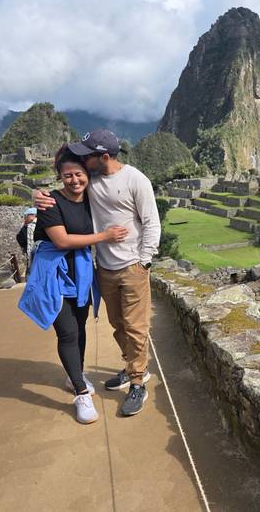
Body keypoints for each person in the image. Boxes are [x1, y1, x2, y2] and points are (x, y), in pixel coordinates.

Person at [34, 129, 161, 417]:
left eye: (87, 155)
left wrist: (145, 261)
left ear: (103, 157)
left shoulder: (135, 180)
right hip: (104, 268)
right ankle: (131, 369)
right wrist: (36, 195)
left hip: (132, 267)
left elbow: (152, 223)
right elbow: (65, 189)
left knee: (136, 327)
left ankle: (138, 383)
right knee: (117, 325)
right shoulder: (90, 181)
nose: (81, 158)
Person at [19, 148, 128, 424]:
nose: (74, 180)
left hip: (81, 274)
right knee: (67, 332)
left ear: (87, 175)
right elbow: (62, 241)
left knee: (79, 328)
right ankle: (81, 394)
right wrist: (104, 236)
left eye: (79, 174)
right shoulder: (50, 204)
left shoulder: (91, 199)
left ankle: (74, 375)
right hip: (53, 274)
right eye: (67, 175)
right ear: (60, 177)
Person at [16, 207, 38, 275]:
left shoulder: (29, 225)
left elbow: (19, 238)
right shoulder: (42, 222)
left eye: (26, 216)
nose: (25, 218)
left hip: (33, 253)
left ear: (32, 216)